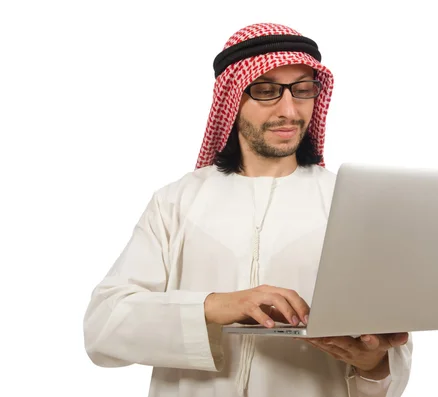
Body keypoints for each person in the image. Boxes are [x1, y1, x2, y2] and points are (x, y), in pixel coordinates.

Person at [83, 22, 413, 397]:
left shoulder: (351, 203)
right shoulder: (176, 202)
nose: (289, 110)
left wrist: (371, 362)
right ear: (232, 97)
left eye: (303, 90)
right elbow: (102, 328)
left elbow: (390, 356)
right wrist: (214, 306)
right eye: (267, 91)